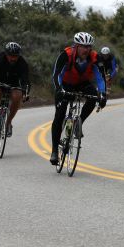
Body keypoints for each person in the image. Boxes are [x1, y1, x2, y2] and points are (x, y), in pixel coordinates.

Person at [48, 32, 107, 166]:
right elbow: (56, 74)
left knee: (93, 97)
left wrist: (103, 94)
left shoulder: (95, 57)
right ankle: (54, 151)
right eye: (83, 47)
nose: (86, 50)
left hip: (83, 84)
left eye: (88, 47)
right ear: (76, 46)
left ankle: (77, 124)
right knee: (59, 115)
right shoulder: (66, 55)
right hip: (65, 84)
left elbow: (100, 78)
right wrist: (59, 89)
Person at [0, 41, 30, 141]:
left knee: (17, 96)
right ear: (6, 54)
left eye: (16, 56)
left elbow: (25, 80)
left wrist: (25, 92)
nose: (13, 58)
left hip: (14, 83)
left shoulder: (22, 63)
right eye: (10, 56)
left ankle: (8, 122)